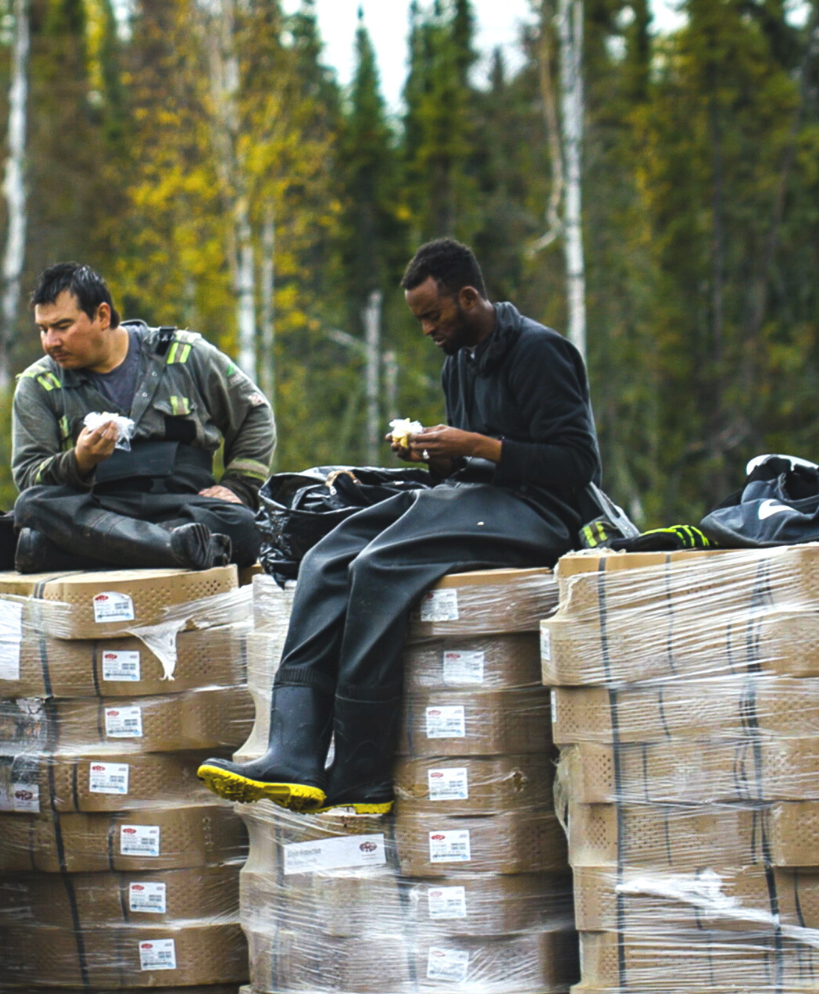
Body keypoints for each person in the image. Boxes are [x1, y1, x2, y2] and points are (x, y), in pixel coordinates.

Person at [197, 239, 600, 814]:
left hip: (544, 512)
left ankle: (361, 770)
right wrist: (440, 455)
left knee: (379, 564)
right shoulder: (458, 359)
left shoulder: (541, 351)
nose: (426, 330)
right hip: (477, 497)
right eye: (418, 319)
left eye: (432, 316)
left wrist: (477, 445)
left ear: (468, 297)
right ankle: (294, 751)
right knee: (329, 555)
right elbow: (468, 463)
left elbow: (577, 464)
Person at [8, 262, 276, 571]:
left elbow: (255, 412)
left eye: (62, 327)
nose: (50, 342)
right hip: (97, 511)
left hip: (185, 505)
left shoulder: (187, 355)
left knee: (244, 525)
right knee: (32, 506)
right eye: (43, 329)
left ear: (102, 316)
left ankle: (111, 549)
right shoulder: (38, 384)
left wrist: (240, 487)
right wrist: (80, 460)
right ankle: (171, 545)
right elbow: (30, 479)